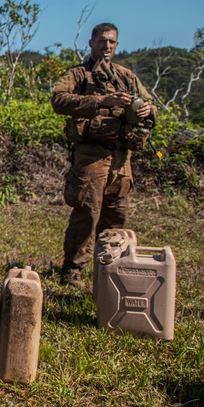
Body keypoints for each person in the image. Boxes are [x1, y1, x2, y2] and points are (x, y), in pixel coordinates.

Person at [51, 22, 156, 288]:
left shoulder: (126, 77)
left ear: (116, 44)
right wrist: (100, 101)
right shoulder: (79, 75)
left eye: (111, 42)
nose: (106, 46)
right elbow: (58, 100)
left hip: (122, 160)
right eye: (102, 41)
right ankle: (73, 269)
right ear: (91, 43)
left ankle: (111, 269)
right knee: (87, 212)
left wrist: (147, 111)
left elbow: (150, 104)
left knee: (116, 216)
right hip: (91, 156)